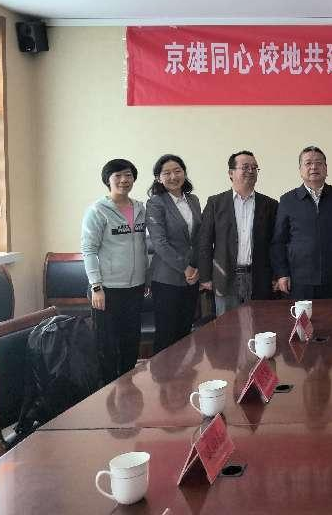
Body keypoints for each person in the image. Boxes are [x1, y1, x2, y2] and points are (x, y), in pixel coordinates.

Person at [81, 159, 148, 383]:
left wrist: (146, 278)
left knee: (131, 341)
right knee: (107, 344)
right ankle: (107, 391)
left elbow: (142, 245)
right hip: (107, 289)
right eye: (117, 176)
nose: (123, 180)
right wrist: (96, 286)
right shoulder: (98, 211)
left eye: (128, 175)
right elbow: (89, 250)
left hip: (135, 287)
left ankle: (127, 386)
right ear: (107, 180)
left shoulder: (140, 208)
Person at [198, 150, 278, 315]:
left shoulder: (270, 204)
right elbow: (204, 241)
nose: (251, 171)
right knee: (228, 327)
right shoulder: (215, 203)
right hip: (225, 277)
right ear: (231, 173)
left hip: (259, 278)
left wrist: (277, 275)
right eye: (245, 167)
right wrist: (205, 276)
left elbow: (275, 244)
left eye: (254, 167)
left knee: (260, 324)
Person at [271, 146, 332, 300]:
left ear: (326, 168)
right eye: (308, 163)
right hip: (299, 280)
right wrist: (282, 273)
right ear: (300, 170)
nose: (313, 167)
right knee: (302, 316)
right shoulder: (287, 200)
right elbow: (279, 241)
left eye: (319, 163)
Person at [145, 154, 202, 353]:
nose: (173, 177)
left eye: (177, 171)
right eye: (166, 173)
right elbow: (159, 243)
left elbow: (198, 238)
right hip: (166, 278)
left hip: (192, 277)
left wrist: (197, 267)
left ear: (184, 173)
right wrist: (185, 268)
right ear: (158, 178)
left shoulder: (193, 200)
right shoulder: (156, 203)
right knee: (166, 335)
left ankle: (182, 373)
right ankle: (162, 373)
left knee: (185, 333)